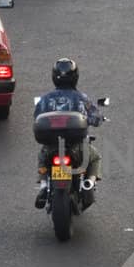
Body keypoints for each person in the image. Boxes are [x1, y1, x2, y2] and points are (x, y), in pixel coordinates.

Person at [33, 59, 103, 207]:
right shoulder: (82, 98)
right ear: (75, 77)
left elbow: (36, 118)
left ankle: (44, 185)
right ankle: (89, 183)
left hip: (52, 149)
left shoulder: (45, 100)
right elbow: (95, 119)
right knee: (95, 157)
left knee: (41, 156)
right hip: (77, 150)